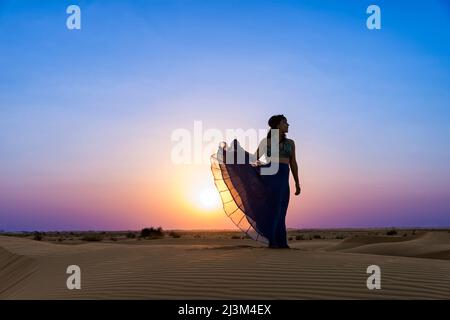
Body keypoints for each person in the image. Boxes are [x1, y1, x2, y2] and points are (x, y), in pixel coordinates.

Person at [210, 114, 301, 248]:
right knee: (274, 210)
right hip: (271, 178)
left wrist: (297, 183)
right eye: (285, 122)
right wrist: (238, 155)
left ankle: (281, 242)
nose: (288, 125)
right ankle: (273, 242)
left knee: (282, 210)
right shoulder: (267, 142)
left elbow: (293, 163)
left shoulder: (290, 143)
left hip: (284, 179)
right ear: (277, 125)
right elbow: (255, 159)